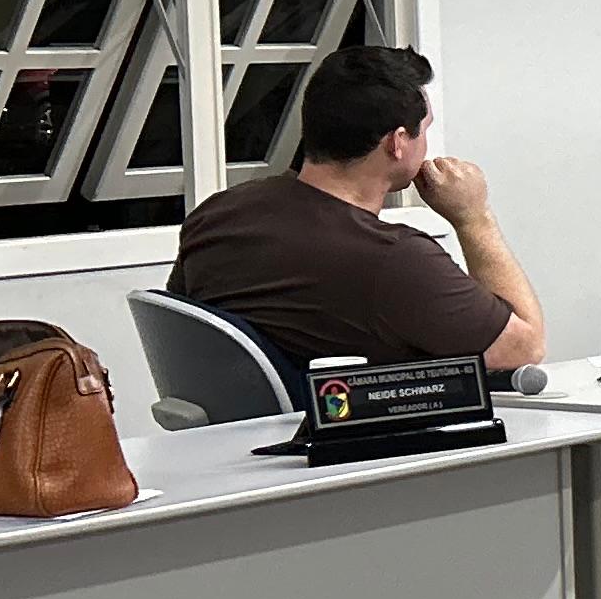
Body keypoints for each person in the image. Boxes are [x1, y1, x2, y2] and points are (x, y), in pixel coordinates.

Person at [167, 43, 546, 376]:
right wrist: (473, 217)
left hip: (248, 432)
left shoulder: (215, 216)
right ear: (398, 142)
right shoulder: (395, 259)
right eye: (425, 129)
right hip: (366, 435)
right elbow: (525, 348)